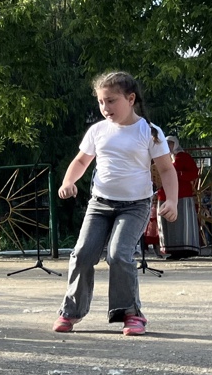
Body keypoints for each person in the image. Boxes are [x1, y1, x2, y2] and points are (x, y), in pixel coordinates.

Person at [53, 71, 177, 336]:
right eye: (101, 102)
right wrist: (68, 181)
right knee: (82, 254)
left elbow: (167, 169)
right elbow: (81, 161)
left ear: (130, 99)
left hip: (135, 206)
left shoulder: (150, 132)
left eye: (111, 101)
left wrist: (173, 201)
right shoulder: (97, 131)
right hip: (99, 204)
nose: (105, 107)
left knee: (119, 254)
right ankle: (71, 312)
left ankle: (131, 314)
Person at [156, 135, 199, 259]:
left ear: (175, 144)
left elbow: (194, 173)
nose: (168, 146)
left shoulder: (183, 157)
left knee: (182, 222)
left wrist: (178, 175)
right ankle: (171, 249)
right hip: (164, 194)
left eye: (170, 143)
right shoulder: (161, 158)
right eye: (166, 143)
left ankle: (185, 249)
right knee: (167, 223)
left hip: (181, 195)